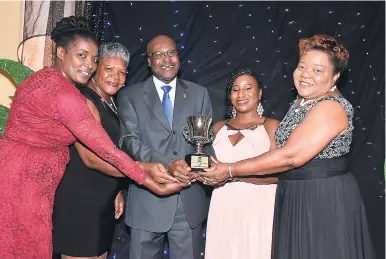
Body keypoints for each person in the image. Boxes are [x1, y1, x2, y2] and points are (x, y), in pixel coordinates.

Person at [0, 17, 184, 259]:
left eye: (93, 59)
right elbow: (104, 151)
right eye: (82, 56)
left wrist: (119, 187)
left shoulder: (43, 78)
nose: (88, 64)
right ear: (62, 52)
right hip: (27, 182)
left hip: (24, 176)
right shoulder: (69, 96)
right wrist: (147, 177)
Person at [198, 35, 376, 259]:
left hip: (322, 198)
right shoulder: (302, 101)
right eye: (302, 66)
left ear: (335, 77)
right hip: (296, 195)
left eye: (318, 70)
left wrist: (230, 170)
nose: (306, 74)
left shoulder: (331, 107)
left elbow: (291, 156)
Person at [53, 42, 162, 259]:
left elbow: (111, 149)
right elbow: (91, 159)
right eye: (109, 69)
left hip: (101, 201)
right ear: (96, 69)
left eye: (122, 72)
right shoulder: (83, 100)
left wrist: (116, 190)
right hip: (80, 203)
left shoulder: (110, 102)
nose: (115, 77)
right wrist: (139, 171)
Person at [117, 35, 213, 259]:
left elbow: (205, 143)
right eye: (158, 55)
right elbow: (128, 141)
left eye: (171, 52)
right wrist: (167, 163)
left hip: (189, 199)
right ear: (149, 61)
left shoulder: (199, 93)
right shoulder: (129, 95)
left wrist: (208, 168)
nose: (167, 59)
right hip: (147, 200)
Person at [204, 68, 279, 259]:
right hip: (222, 207)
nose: (241, 94)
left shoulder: (271, 126)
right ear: (229, 96)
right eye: (235, 89)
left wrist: (231, 174)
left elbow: (280, 174)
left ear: (259, 93)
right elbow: (202, 163)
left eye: (248, 88)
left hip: (259, 209)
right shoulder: (216, 128)